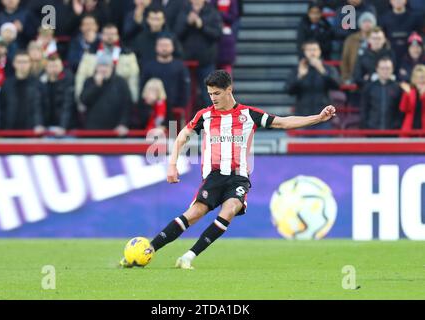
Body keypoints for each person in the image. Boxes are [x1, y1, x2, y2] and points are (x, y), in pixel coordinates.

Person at [122, 70, 336, 269]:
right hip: (214, 176)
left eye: (216, 93)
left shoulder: (249, 115)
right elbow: (182, 136)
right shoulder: (204, 115)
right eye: (210, 93)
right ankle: (149, 249)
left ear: (229, 90)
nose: (213, 98)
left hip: (239, 177)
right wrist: (172, 164)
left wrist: (317, 118)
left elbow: (283, 122)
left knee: (231, 207)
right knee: (195, 213)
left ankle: (188, 257)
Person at [174, 0, 222, 108]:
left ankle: (211, 122)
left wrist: (202, 26)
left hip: (206, 61)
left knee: (208, 95)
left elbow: (218, 34)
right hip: (185, 61)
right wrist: (187, 22)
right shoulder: (183, 11)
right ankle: (186, 122)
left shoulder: (212, 12)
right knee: (185, 95)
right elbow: (176, 33)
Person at [76, 24, 140, 103]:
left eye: (113, 34)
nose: (110, 37)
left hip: (119, 98)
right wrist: (79, 102)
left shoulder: (128, 55)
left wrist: (133, 100)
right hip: (95, 99)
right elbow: (81, 78)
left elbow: (133, 79)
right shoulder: (90, 54)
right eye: (107, 34)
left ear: (118, 36)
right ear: (101, 35)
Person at [285, 40, 340, 129]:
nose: (312, 53)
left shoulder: (328, 68)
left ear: (320, 51)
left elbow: (337, 85)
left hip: (323, 116)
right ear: (304, 52)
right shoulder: (297, 69)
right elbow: (288, 90)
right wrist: (300, 76)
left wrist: (322, 71)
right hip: (302, 117)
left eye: (314, 49)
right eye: (309, 50)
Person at [141, 34, 190, 122]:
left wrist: (180, 106)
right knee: (154, 135)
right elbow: (142, 88)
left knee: (173, 134)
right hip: (153, 112)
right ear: (156, 47)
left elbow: (185, 88)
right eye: (161, 45)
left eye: (167, 45)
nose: (164, 48)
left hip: (174, 112)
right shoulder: (149, 66)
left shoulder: (180, 66)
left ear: (173, 47)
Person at [79, 54, 133, 134]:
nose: (103, 69)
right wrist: (96, 86)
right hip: (93, 130)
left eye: (106, 66)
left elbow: (127, 105)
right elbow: (83, 101)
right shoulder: (90, 81)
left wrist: (123, 123)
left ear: (112, 67)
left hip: (115, 129)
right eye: (101, 66)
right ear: (96, 68)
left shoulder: (120, 82)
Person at [0, 51, 44, 132]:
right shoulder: (6, 84)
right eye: (19, 62)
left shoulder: (38, 84)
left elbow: (41, 107)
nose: (22, 65)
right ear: (14, 64)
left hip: (32, 131)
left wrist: (39, 124)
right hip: (9, 131)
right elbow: (1, 106)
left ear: (30, 64)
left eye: (25, 62)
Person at [360, 57, 403, 129]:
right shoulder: (369, 87)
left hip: (393, 131)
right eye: (382, 68)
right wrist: (366, 125)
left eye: (388, 68)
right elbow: (364, 109)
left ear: (392, 69)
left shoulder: (398, 88)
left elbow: (400, 110)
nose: (385, 71)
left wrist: (397, 125)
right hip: (372, 129)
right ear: (377, 69)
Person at [39, 54, 76, 136]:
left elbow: (67, 105)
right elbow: (37, 105)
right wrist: (40, 124)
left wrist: (63, 126)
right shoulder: (41, 81)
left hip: (67, 128)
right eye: (51, 66)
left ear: (61, 66)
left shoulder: (68, 79)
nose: (54, 69)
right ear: (46, 68)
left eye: (56, 66)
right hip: (47, 127)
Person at [379, 0, 423, 67]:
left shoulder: (415, 17)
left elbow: (421, 36)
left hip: (410, 56)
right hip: (391, 55)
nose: (397, 1)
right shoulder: (384, 18)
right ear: (390, 1)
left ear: (405, 1)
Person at [341, 12, 377, 83]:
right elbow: (345, 59)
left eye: (369, 21)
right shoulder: (351, 39)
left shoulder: (379, 38)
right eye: (364, 21)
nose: (367, 24)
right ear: (360, 24)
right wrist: (346, 76)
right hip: (353, 75)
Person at [211, 0, 240, 74]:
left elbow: (233, 17)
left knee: (226, 70)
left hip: (226, 41)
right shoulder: (213, 2)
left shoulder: (232, 2)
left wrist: (220, 13)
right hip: (215, 42)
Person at [399, 64, 425, 132]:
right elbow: (403, 109)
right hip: (409, 127)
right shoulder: (410, 91)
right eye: (417, 77)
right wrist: (407, 95)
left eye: (422, 77)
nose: (419, 80)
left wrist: (423, 94)